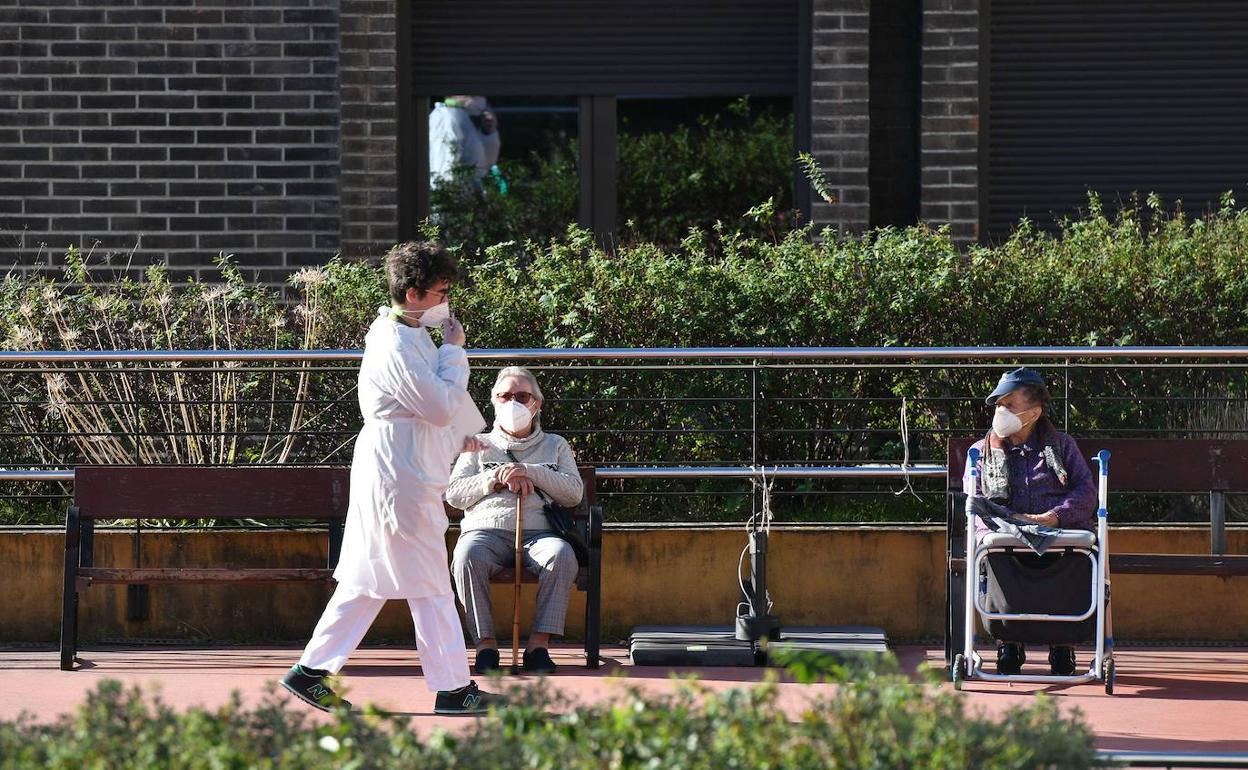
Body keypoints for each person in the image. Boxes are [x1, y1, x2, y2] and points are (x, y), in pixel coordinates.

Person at [280, 241, 502, 714]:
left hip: (400, 467)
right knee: (428, 583)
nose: (447, 301)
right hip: (397, 475)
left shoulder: (408, 334)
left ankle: (311, 671)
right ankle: (453, 689)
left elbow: (428, 409)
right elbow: (439, 405)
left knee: (371, 578)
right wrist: (456, 352)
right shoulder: (396, 340)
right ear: (417, 293)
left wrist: (456, 434)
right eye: (442, 292)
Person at [447, 366, 583, 675]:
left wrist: (531, 472)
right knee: (466, 556)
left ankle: (538, 646)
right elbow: (454, 494)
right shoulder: (476, 444)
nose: (514, 403)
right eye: (505, 395)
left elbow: (573, 493)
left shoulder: (556, 445)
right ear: (494, 401)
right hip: (485, 533)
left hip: (540, 534)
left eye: (522, 396)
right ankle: (485, 647)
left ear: (537, 403)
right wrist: (495, 477)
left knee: (561, 556)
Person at [964, 367, 1097, 677]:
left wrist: (1054, 517)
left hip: (1059, 534)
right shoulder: (981, 453)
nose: (1000, 411)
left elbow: (1086, 492)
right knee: (993, 547)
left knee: (1077, 550)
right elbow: (977, 501)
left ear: (1034, 412)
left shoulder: (1063, 446)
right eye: (998, 405)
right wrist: (1004, 527)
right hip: (1006, 535)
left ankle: (1062, 643)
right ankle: (1008, 640)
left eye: (1009, 404)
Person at [429, 95, 502, 189]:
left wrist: (488, 133)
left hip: (468, 191)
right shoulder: (447, 117)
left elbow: (487, 163)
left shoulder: (466, 116)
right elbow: (443, 169)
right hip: (456, 193)